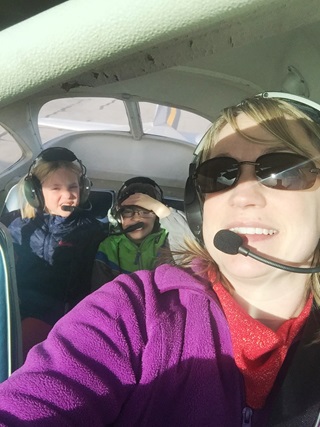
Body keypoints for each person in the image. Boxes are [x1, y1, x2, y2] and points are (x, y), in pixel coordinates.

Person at [0, 92, 320, 426]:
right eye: (220, 175)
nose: (242, 194)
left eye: (284, 170)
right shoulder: (130, 310)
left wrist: (161, 210)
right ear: (200, 209)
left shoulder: (164, 240)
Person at [7, 147, 105, 359]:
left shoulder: (92, 231)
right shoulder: (15, 227)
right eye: (56, 188)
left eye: (73, 186)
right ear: (35, 192)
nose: (68, 195)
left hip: (59, 321)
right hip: (11, 312)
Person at [91, 176, 171, 289]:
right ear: (118, 217)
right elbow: (99, 294)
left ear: (157, 218)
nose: (137, 219)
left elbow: (192, 238)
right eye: (128, 212)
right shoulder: (109, 246)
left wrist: (160, 208)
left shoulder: (169, 240)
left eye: (145, 212)